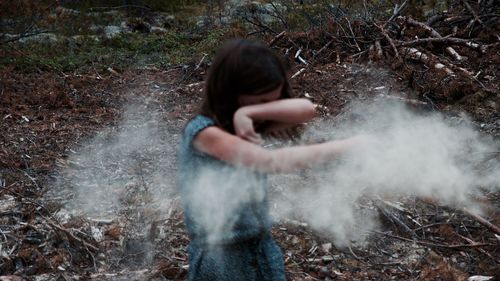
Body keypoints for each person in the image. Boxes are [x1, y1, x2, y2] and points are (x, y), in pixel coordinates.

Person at [177, 38, 363, 281]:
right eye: (263, 101)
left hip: (260, 249)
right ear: (232, 92)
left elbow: (308, 110)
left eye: (274, 101)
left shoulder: (242, 123)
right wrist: (346, 147)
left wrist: (250, 111)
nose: (272, 107)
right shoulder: (205, 133)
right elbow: (269, 161)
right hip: (223, 259)